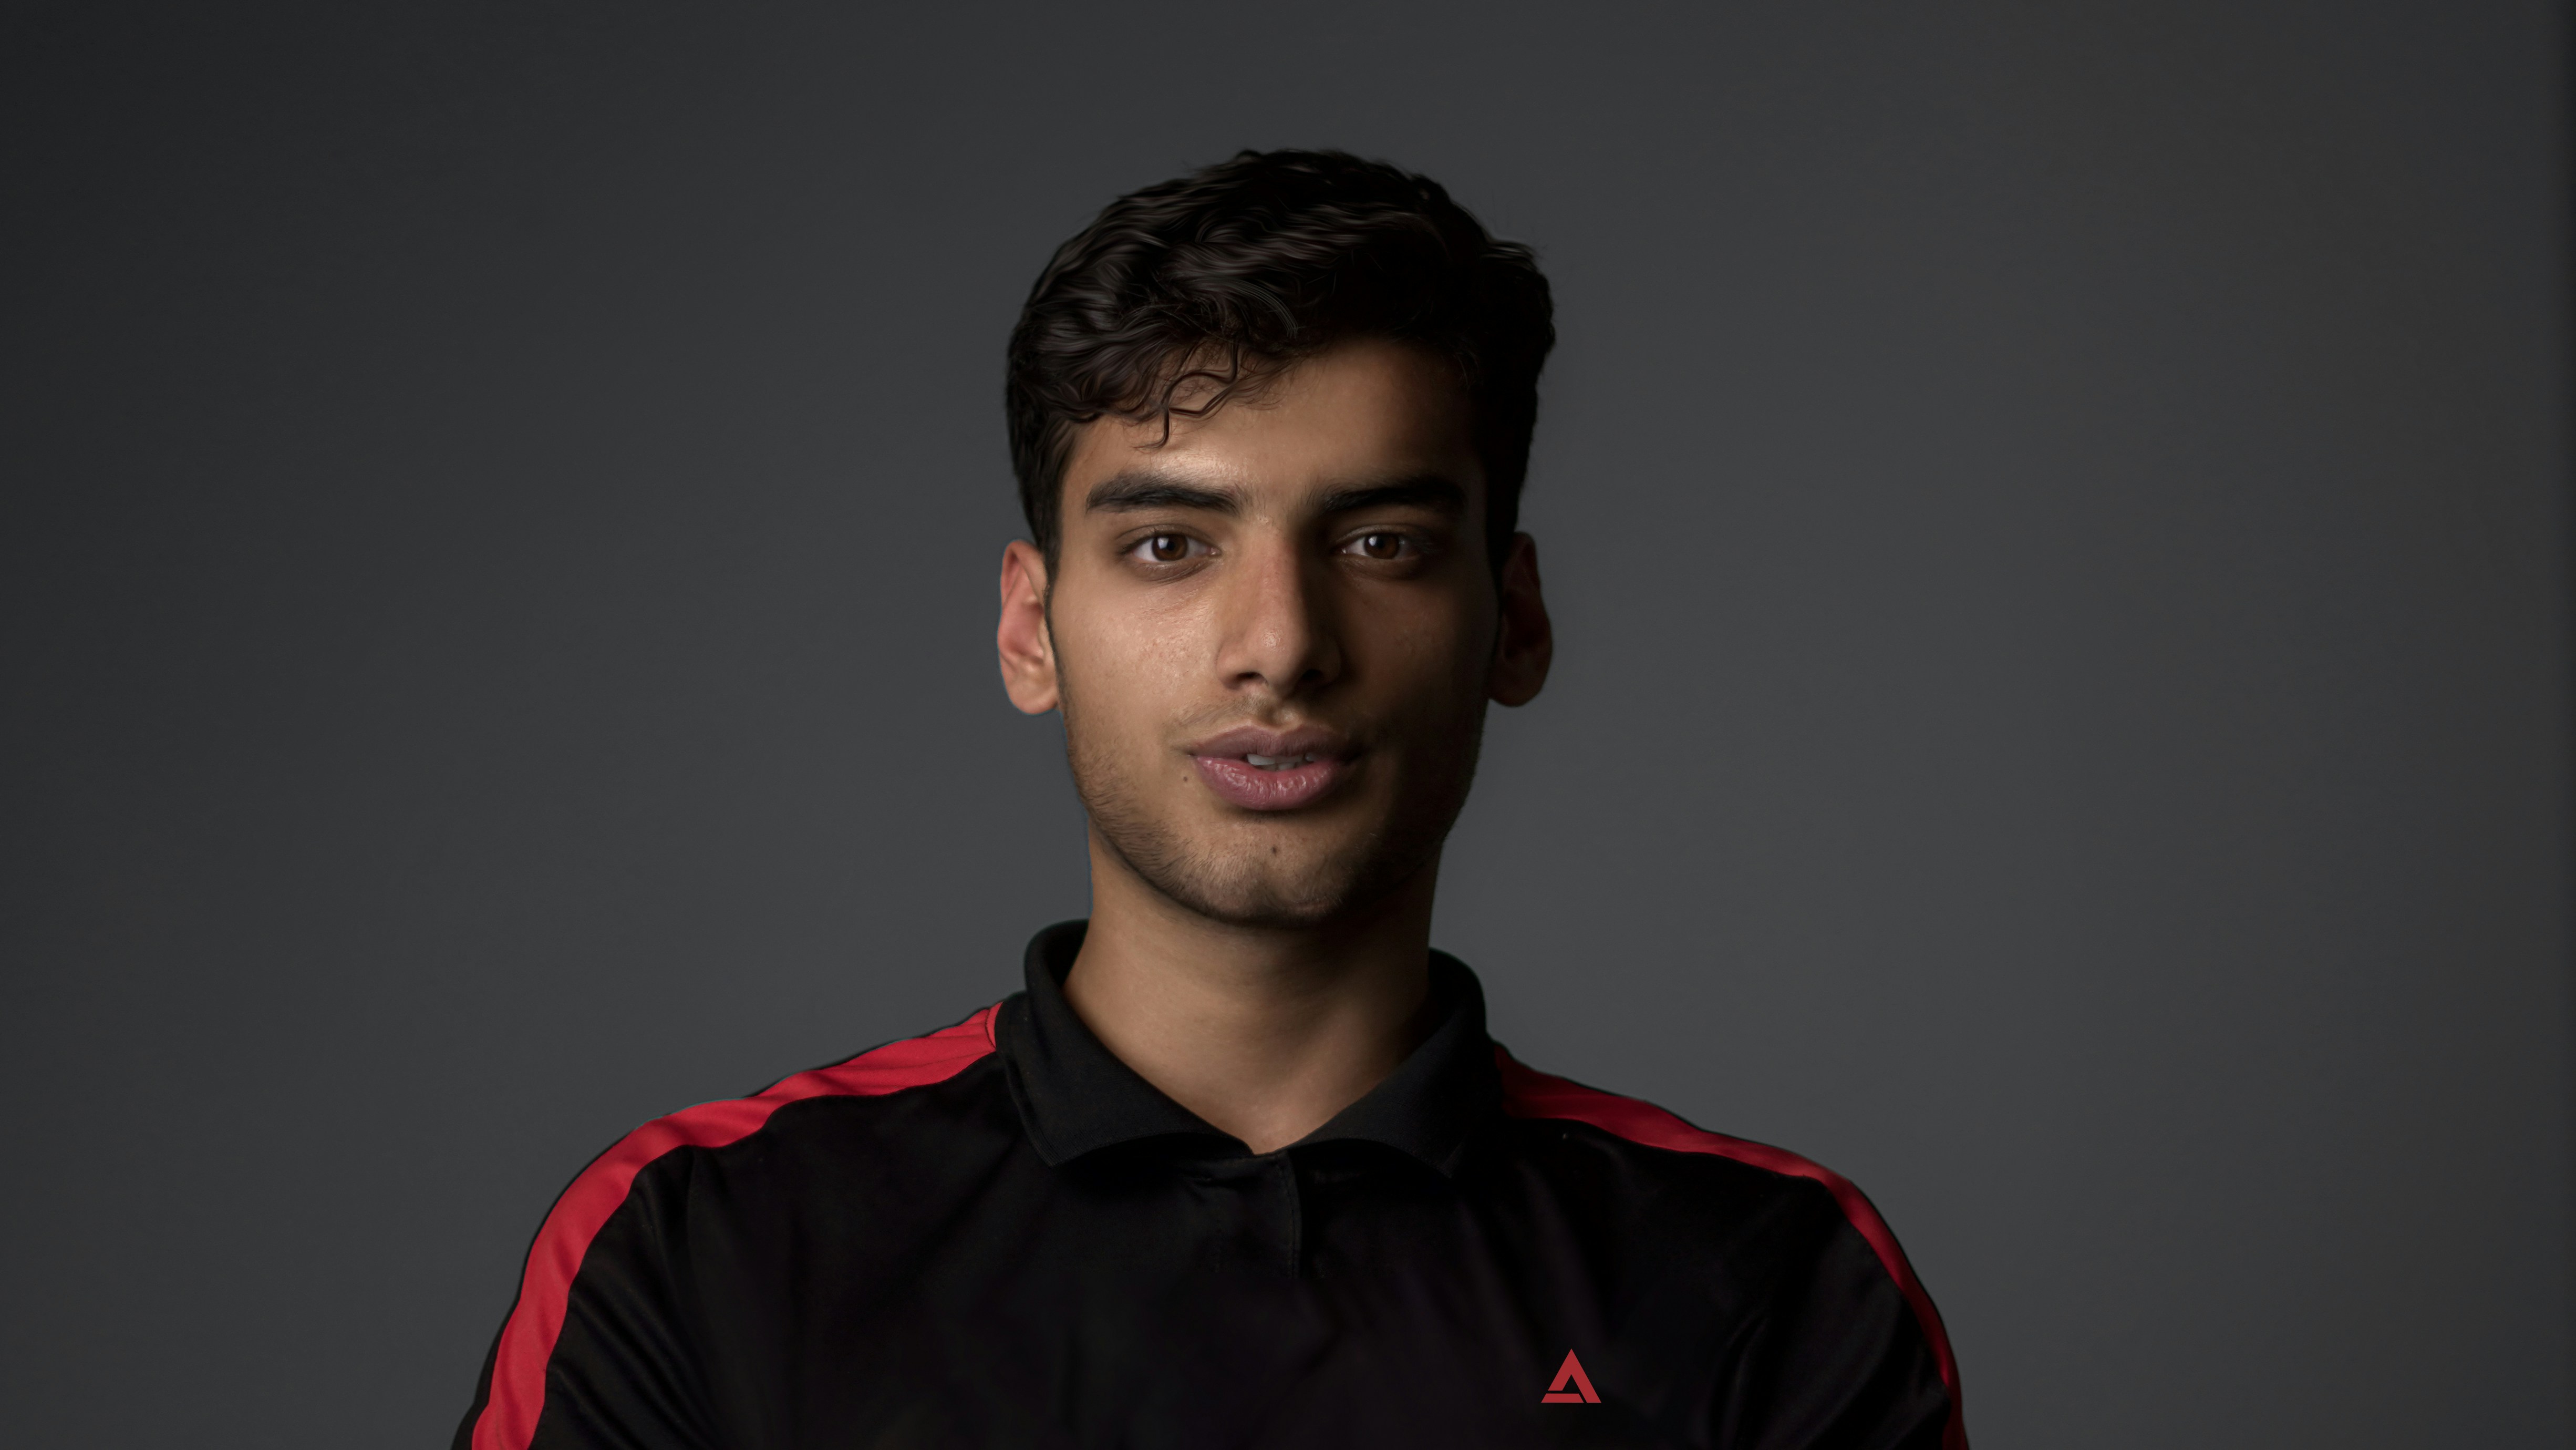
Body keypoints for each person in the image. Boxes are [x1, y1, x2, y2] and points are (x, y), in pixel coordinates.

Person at [454, 149, 1966, 1450]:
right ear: (1029, 628)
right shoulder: (701, 1251)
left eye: (1379, 544)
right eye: (1172, 545)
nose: (1280, 647)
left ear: (1513, 620)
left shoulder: (1770, 1283)